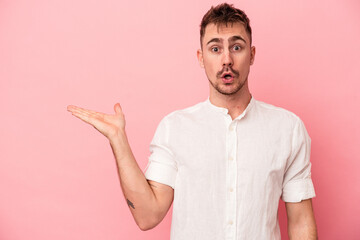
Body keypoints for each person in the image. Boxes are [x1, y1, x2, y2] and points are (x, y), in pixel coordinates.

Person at [67, 3, 317, 239]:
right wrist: (118, 141)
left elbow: (300, 221)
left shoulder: (288, 129)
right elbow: (147, 215)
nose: (227, 59)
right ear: (201, 57)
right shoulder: (174, 129)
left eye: (237, 47)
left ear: (251, 55)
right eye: (215, 48)